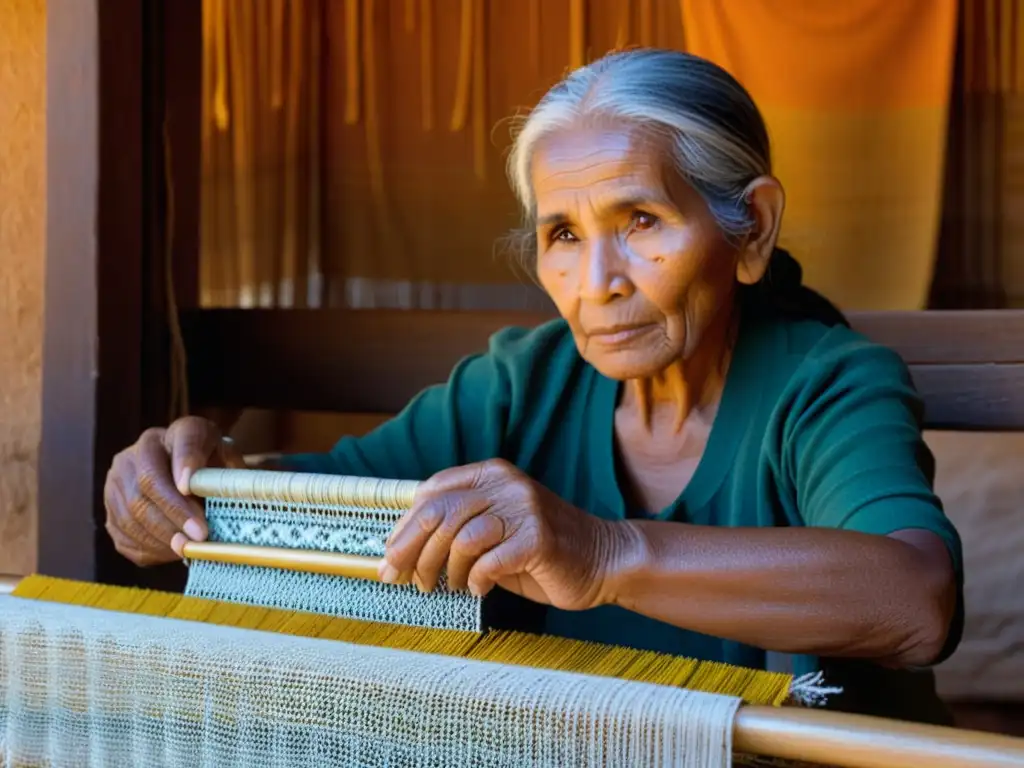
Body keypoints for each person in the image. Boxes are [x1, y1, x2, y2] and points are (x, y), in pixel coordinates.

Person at [104, 49, 963, 725]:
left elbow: (915, 601)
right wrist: (189, 491)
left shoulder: (823, 386)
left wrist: (602, 555)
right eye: (561, 233)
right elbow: (320, 509)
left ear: (752, 229)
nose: (597, 281)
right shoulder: (522, 384)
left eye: (640, 222)